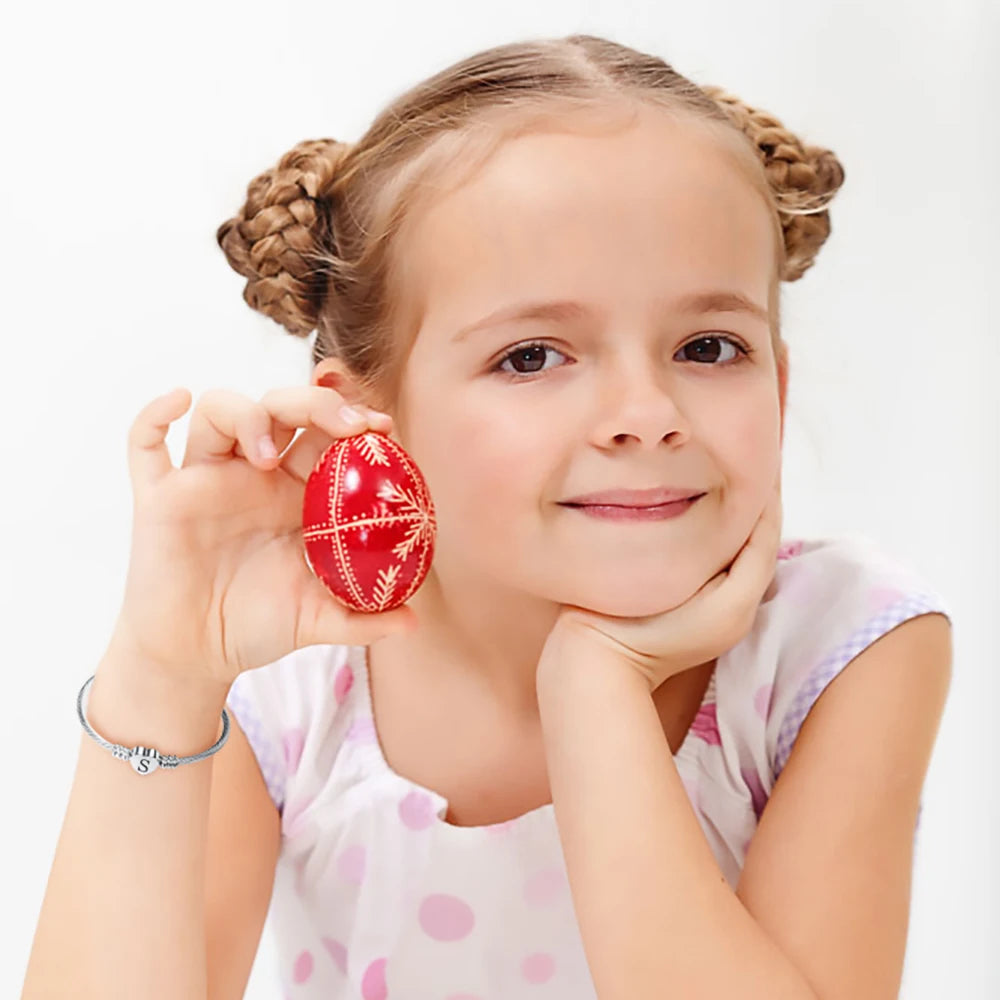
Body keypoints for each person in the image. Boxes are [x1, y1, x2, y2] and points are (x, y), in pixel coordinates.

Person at [23, 33, 954, 1000]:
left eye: (710, 347)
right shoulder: (299, 690)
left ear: (779, 384)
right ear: (367, 423)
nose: (646, 416)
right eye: (532, 357)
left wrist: (596, 693)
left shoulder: (838, 645)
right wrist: (163, 678)